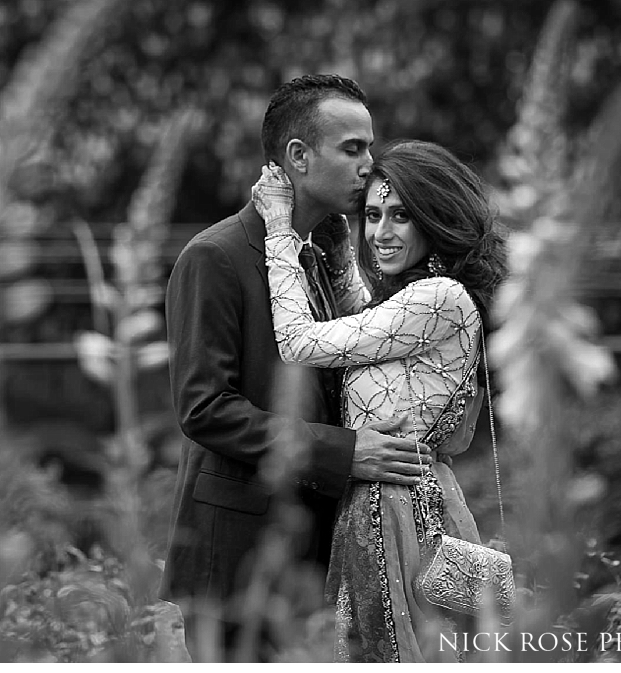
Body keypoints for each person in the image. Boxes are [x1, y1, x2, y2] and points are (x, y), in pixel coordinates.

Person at [160, 75, 432, 660]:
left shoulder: (322, 257)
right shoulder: (215, 256)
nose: (369, 166)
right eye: (352, 148)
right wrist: (343, 452)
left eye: (370, 148)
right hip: (235, 561)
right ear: (298, 157)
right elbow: (204, 408)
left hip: (311, 551)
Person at [251, 139, 508, 662]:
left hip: (405, 508)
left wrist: (279, 227)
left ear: (436, 219)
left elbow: (300, 341)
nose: (381, 233)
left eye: (401, 217)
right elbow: (357, 321)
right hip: (380, 498)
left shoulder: (438, 297)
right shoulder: (412, 298)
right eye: (372, 215)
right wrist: (339, 237)